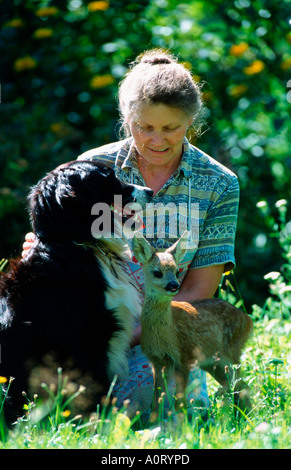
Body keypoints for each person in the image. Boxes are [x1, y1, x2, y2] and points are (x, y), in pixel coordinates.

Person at [22, 49, 240, 421]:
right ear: (126, 119)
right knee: (60, 413)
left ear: (191, 121)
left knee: (166, 412)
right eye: (144, 126)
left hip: (162, 328)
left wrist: (132, 334)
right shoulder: (95, 167)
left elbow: (200, 289)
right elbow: (60, 245)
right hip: (87, 327)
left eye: (170, 128)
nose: (156, 139)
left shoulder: (219, 183)